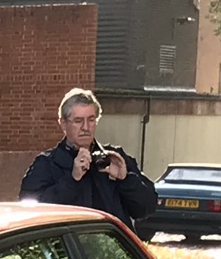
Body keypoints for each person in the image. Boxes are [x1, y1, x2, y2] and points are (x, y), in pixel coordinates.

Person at [20, 88, 156, 222]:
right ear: (63, 124)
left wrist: (125, 180)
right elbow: (30, 213)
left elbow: (147, 209)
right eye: (78, 121)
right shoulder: (46, 164)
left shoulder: (115, 158)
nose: (85, 127)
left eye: (91, 120)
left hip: (110, 242)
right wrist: (72, 180)